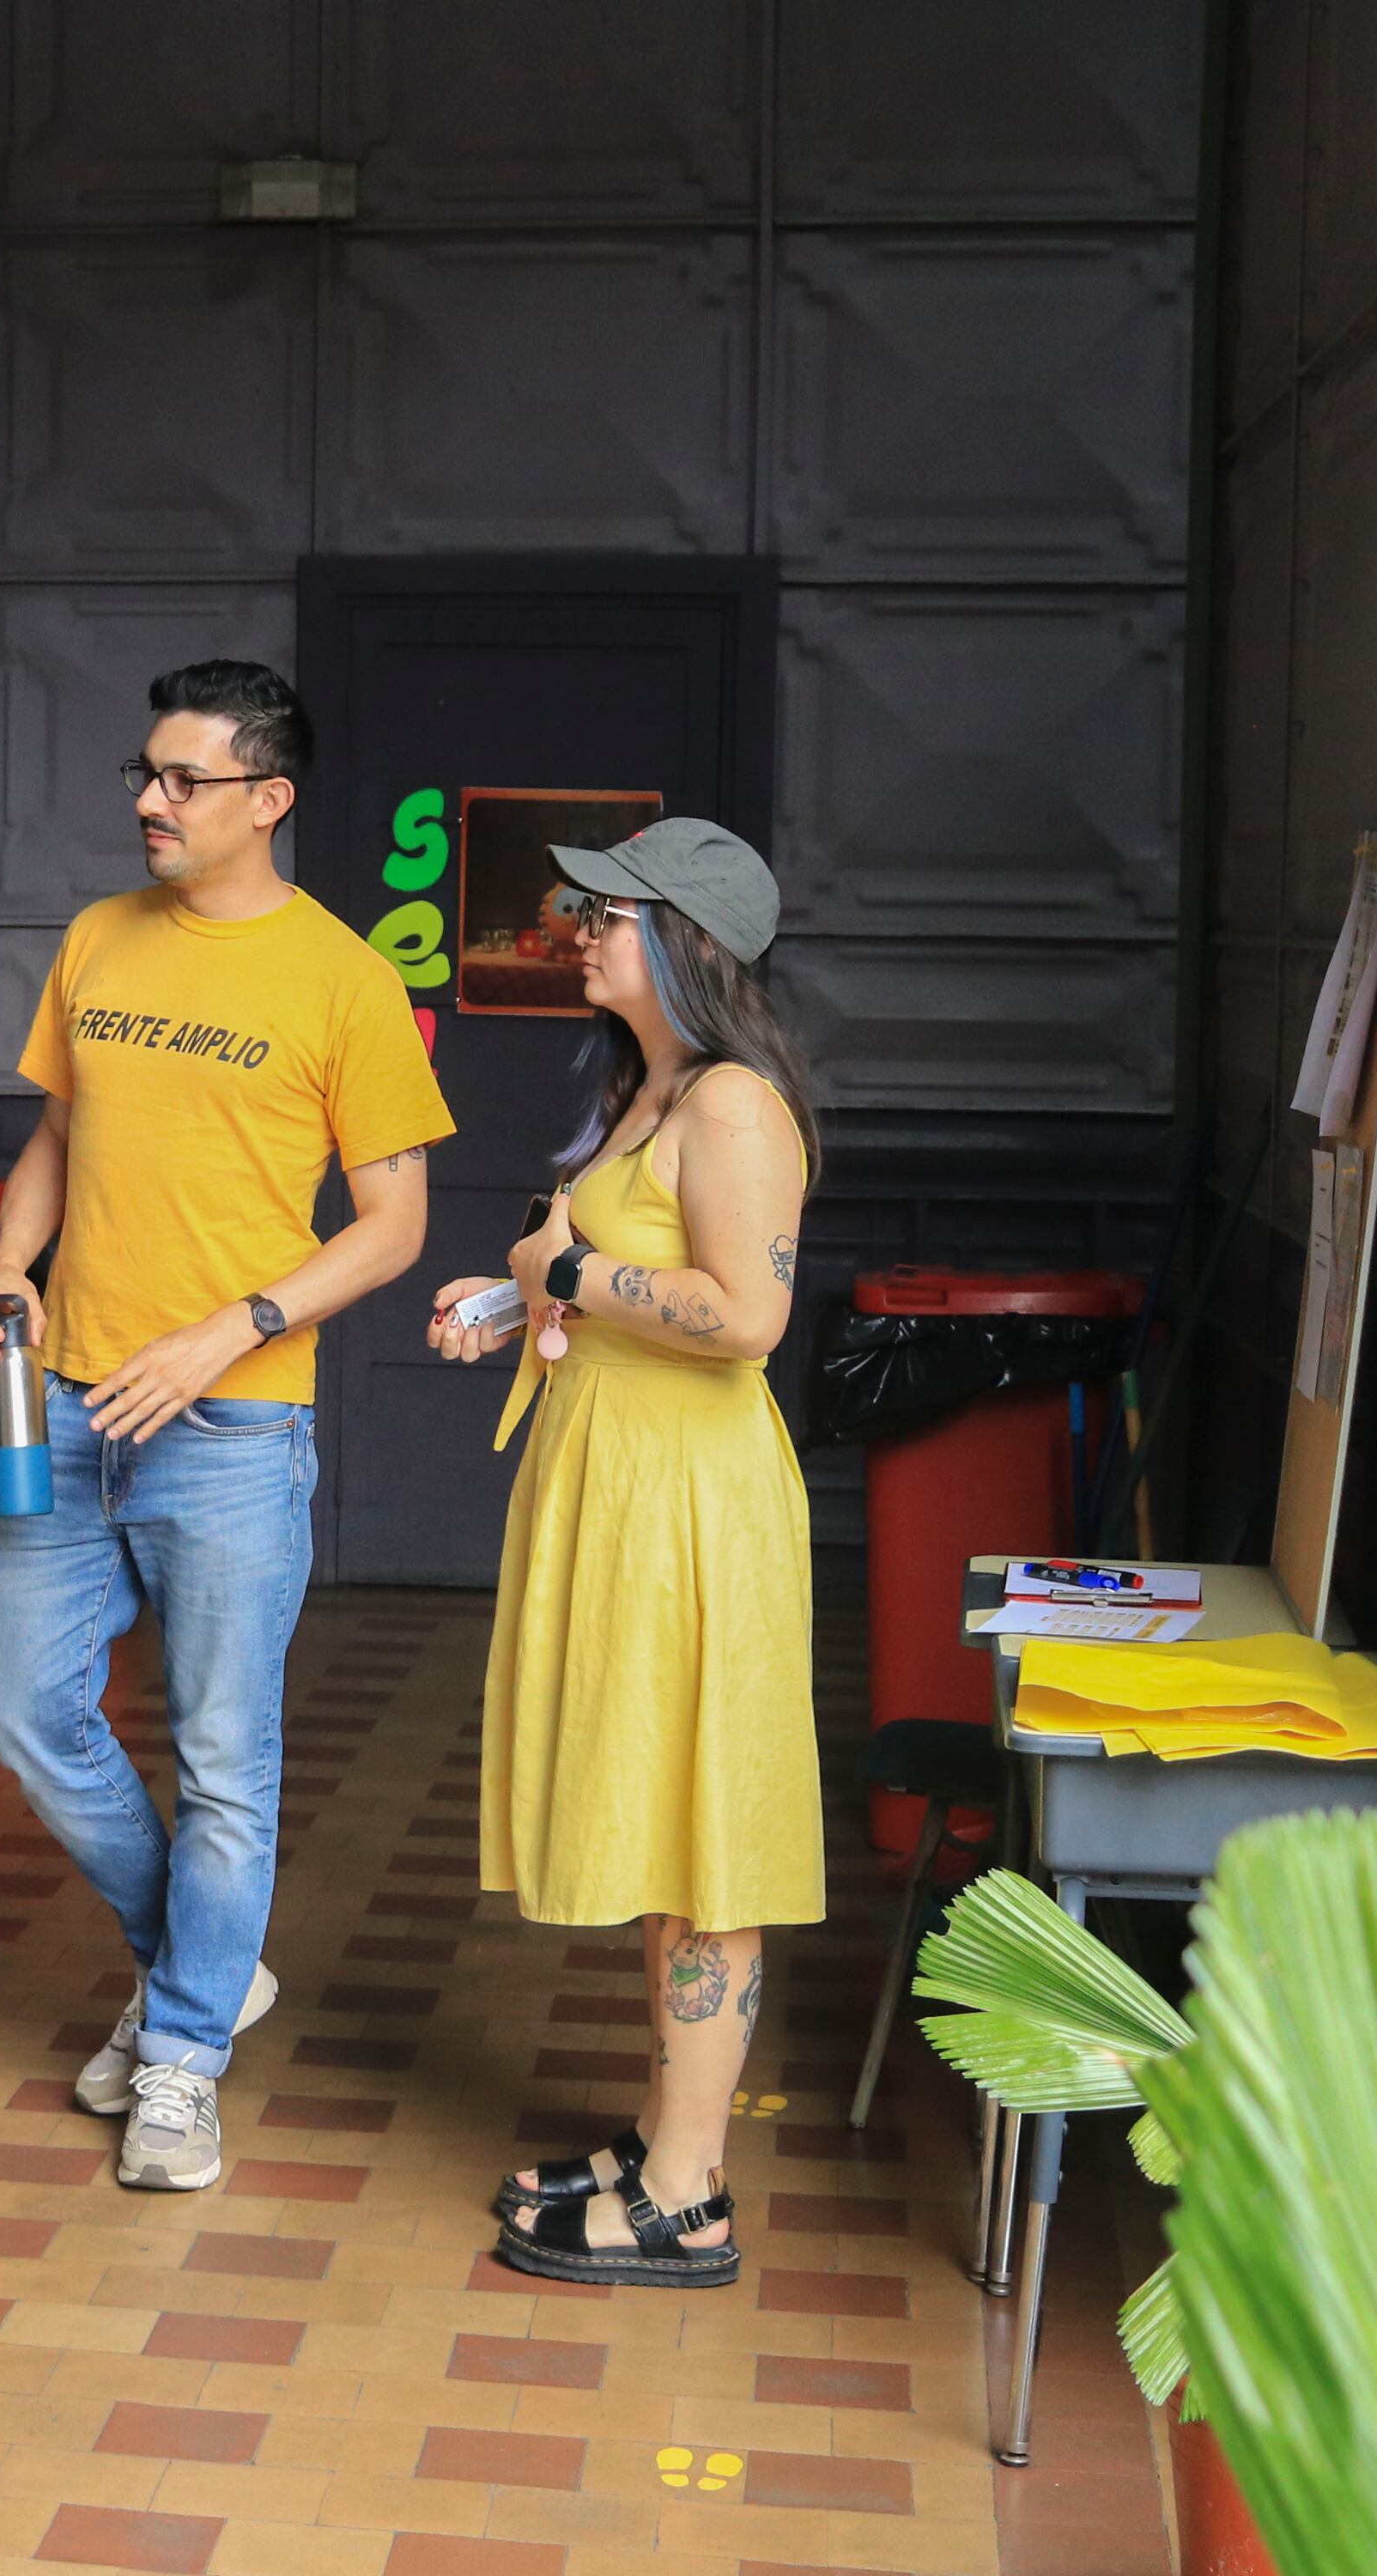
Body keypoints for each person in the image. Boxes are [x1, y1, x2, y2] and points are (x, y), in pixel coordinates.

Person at [0, 661, 454, 2194]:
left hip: (233, 1430)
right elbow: (57, 1131)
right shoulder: (99, 941)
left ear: (269, 801)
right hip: (67, 1406)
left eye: (183, 781)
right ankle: (207, 1963)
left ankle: (181, 2051)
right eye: (146, 775)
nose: (152, 803)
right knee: (36, 1718)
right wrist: (5, 1262)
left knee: (228, 1762)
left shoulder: (343, 981)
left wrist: (231, 1327)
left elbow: (393, 1227)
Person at [431, 817, 822, 2289]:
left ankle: (687, 2194)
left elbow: (748, 1317)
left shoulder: (734, 1105)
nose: (577, 925)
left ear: (688, 939)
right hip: (625, 1486)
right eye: (584, 906)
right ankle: (672, 2135)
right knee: (667, 1819)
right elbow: (623, 1281)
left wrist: (567, 1268)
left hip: (692, 1507)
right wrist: (515, 1294)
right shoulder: (651, 1089)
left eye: (609, 909)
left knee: (705, 1827)